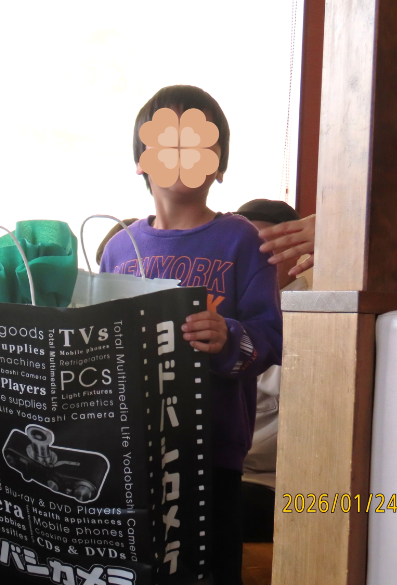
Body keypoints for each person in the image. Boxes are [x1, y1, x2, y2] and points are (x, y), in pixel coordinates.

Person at [100, 86, 283, 585]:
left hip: (212, 450)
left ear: (219, 165)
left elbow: (270, 337)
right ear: (141, 160)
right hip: (130, 449)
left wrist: (228, 336)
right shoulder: (119, 250)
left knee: (208, 569)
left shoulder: (242, 239)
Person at [235, 199, 311, 543]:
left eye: (266, 250)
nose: (251, 262)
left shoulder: (313, 320)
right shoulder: (227, 314)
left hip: (275, 487)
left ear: (297, 253)